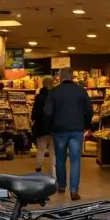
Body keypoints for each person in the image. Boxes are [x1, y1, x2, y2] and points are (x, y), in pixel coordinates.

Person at [44, 67, 93, 201]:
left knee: (60, 159)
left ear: (60, 77)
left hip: (59, 130)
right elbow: (89, 110)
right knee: (75, 160)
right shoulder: (81, 91)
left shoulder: (54, 92)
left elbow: (47, 113)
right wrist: (86, 125)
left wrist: (50, 128)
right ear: (72, 76)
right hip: (77, 129)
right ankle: (74, 190)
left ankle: (61, 186)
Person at [31, 76, 55, 175]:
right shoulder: (55, 96)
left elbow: (34, 112)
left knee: (41, 149)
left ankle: (38, 168)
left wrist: (33, 120)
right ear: (51, 83)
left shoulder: (38, 97)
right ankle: (53, 171)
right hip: (53, 127)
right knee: (53, 150)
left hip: (40, 127)